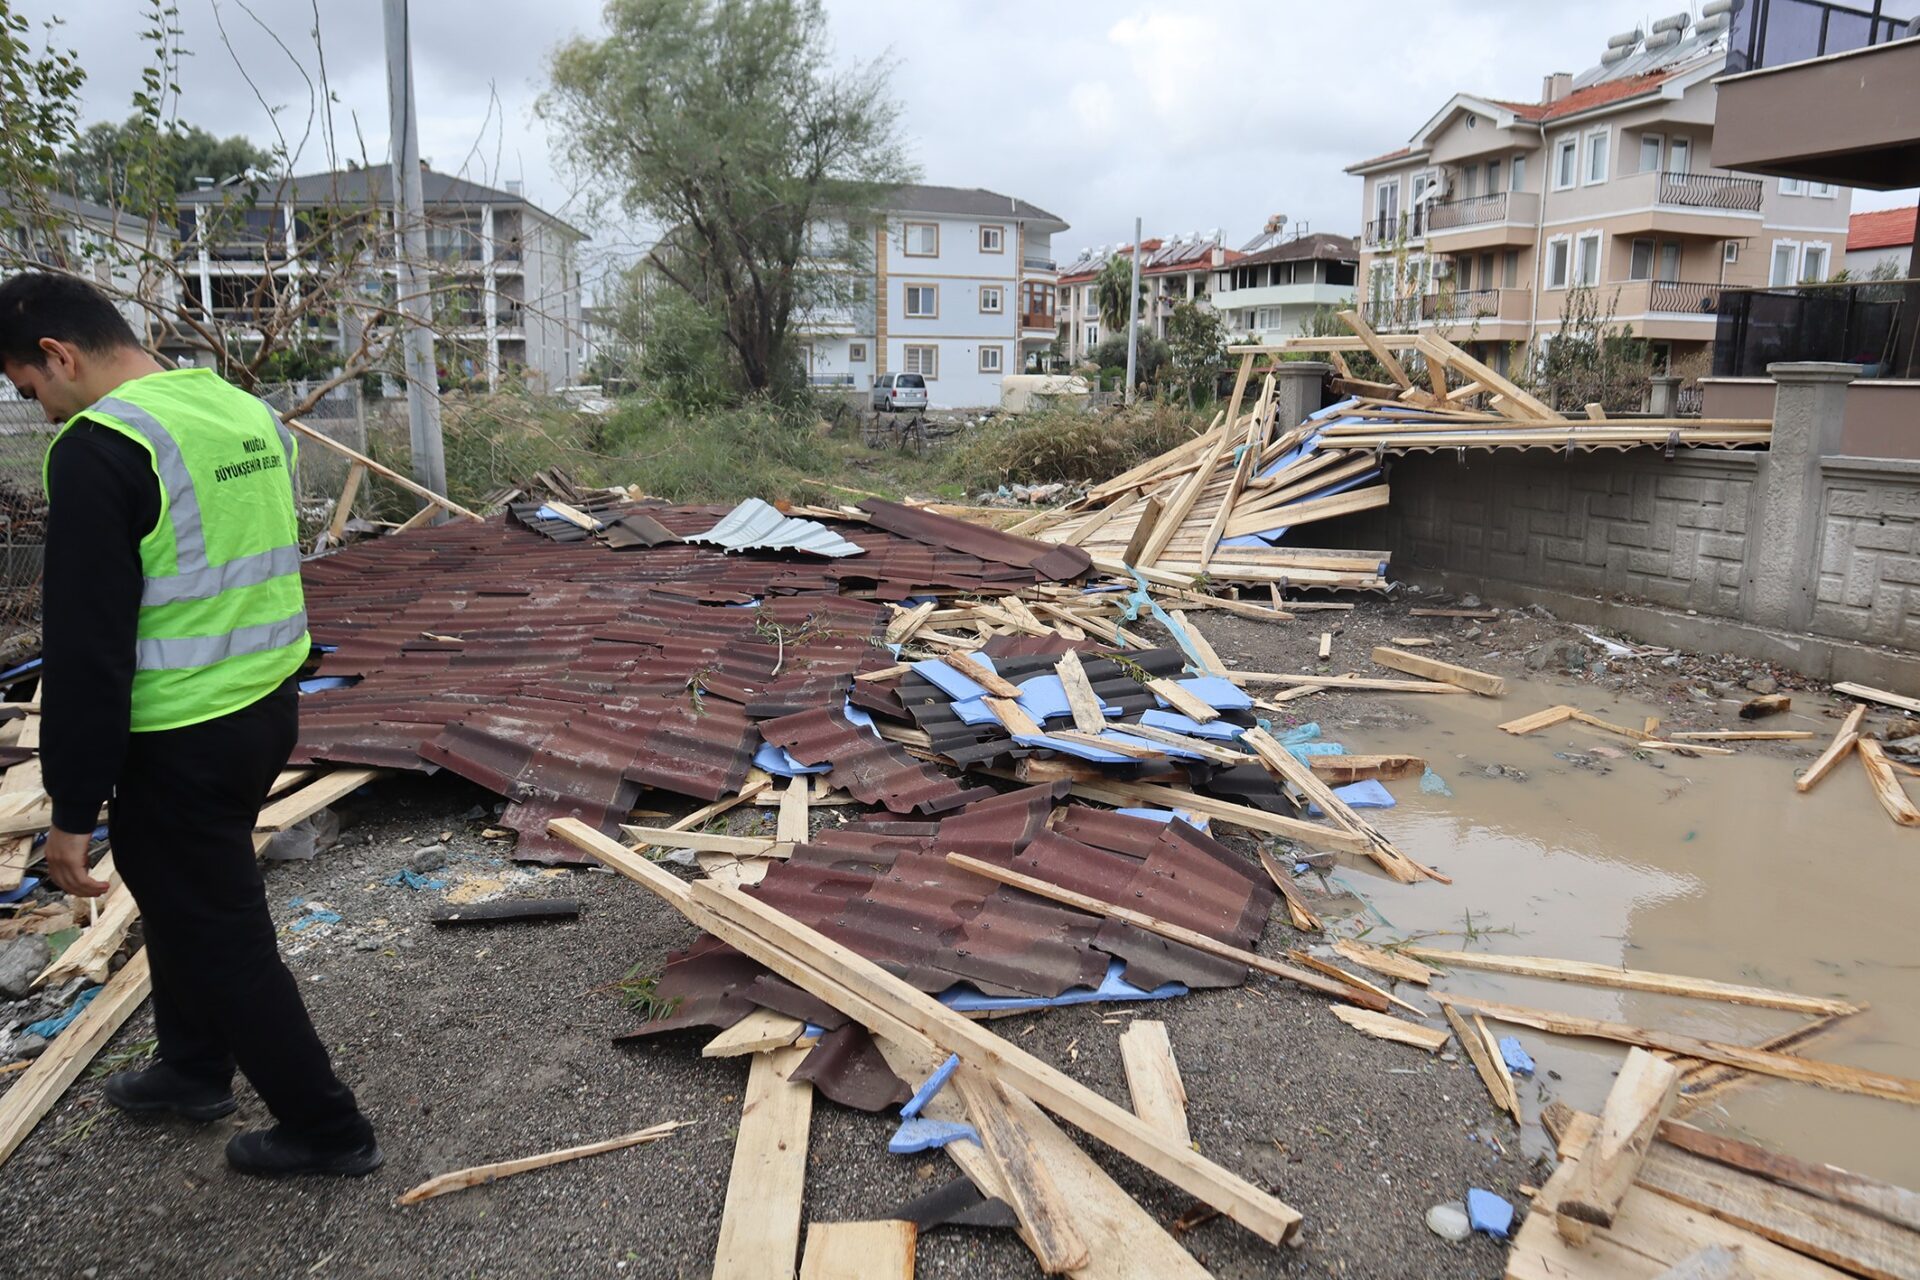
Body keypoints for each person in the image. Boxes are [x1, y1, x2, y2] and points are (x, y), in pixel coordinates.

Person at [0, 272, 380, 1177]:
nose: (42, 412)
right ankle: (190, 1069)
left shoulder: (102, 446)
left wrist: (71, 809)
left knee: (222, 936)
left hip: (181, 737)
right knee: (181, 901)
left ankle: (329, 1130)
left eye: (30, 390)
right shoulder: (238, 409)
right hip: (263, 707)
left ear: (59, 355)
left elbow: (89, 649)